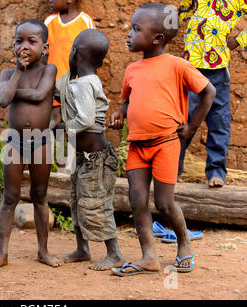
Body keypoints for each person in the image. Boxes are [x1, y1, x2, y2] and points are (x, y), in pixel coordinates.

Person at [109, 4, 216, 276]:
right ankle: (148, 257)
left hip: (166, 143)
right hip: (137, 146)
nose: (129, 34)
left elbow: (209, 91)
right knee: (137, 201)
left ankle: (184, 243)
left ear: (157, 38)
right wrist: (121, 111)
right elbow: (127, 100)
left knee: (165, 203)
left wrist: (191, 126)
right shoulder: (132, 69)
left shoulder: (177, 65)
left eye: (136, 29)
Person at [0, 19, 61, 270]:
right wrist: (17, 72)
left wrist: (13, 90)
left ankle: (43, 251)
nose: (24, 46)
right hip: (15, 142)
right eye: (19, 41)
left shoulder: (49, 71)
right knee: (10, 196)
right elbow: (3, 100)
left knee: (39, 195)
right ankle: (2, 254)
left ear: (45, 48)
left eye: (31, 41)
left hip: (41, 142)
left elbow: (40, 95)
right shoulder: (9, 74)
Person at [53, 29, 125, 271]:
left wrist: (64, 128)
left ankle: (114, 253)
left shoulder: (85, 84)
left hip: (97, 159)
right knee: (77, 202)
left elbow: (84, 120)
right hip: (83, 158)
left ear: (75, 53)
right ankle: (83, 249)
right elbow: (58, 89)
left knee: (96, 204)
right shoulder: (73, 81)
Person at [178, 0, 246, 187]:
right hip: (191, 65)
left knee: (219, 121)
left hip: (219, 67)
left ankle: (216, 172)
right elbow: (183, 11)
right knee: (184, 118)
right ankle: (174, 170)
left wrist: (239, 39)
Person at [44, 0, 95, 127]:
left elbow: (92, 54)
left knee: (74, 123)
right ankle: (54, 146)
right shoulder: (49, 21)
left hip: (75, 86)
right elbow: (42, 53)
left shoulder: (85, 21)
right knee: (53, 123)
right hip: (52, 85)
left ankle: (70, 146)